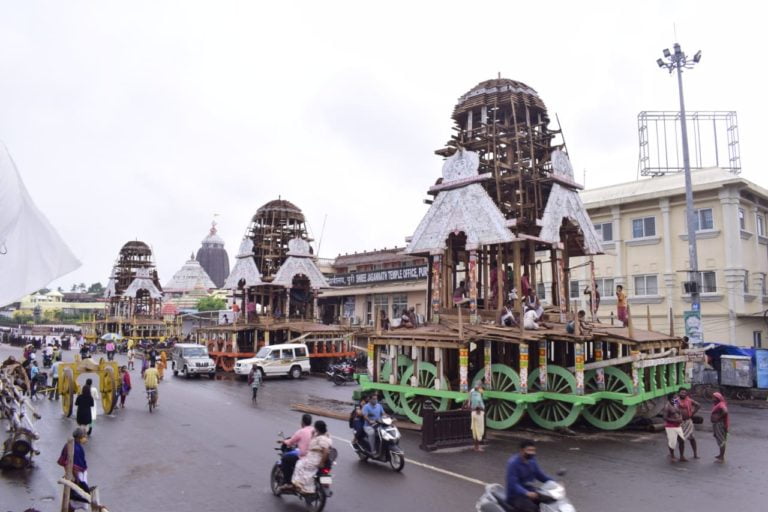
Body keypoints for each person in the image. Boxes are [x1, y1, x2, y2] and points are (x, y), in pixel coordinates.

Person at [506, 439, 553, 512]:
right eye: (529, 450)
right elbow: (513, 484)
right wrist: (526, 493)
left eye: (533, 450)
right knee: (533, 509)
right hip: (516, 496)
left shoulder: (532, 460)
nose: (532, 453)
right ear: (522, 450)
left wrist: (555, 482)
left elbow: (540, 475)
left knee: (550, 502)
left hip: (531, 491)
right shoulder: (513, 463)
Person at [290, 420, 333, 494]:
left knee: (299, 464)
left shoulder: (322, 438)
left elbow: (325, 451)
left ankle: (300, 485)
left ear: (317, 428)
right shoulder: (325, 436)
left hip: (316, 459)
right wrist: (313, 434)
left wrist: (321, 463)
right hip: (319, 459)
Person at [57, 427, 90, 503]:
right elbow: (73, 466)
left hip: (72, 474)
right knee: (79, 498)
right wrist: (77, 479)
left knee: (73, 498)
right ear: (79, 437)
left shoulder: (71, 444)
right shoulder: (76, 448)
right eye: (84, 436)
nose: (86, 438)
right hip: (76, 475)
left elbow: (64, 462)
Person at [280, 414, 314, 484]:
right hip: (313, 457)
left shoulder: (301, 431)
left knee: (285, 458)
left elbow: (290, 442)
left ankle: (287, 481)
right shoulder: (315, 431)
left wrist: (284, 441)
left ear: (302, 422)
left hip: (304, 457)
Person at [678, 389, 700, 459]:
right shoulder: (675, 400)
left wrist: (692, 413)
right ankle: (681, 456)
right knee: (680, 440)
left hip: (688, 422)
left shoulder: (689, 400)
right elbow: (673, 408)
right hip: (679, 422)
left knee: (692, 438)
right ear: (679, 393)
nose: (683, 394)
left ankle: (695, 454)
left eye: (685, 393)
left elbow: (698, 405)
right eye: (682, 392)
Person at [663, 393, 686, 462]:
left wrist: (680, 418)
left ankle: (682, 456)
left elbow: (679, 412)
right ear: (670, 399)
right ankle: (672, 455)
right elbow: (665, 417)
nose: (677, 399)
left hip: (678, 425)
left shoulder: (676, 403)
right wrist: (675, 420)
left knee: (682, 440)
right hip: (670, 426)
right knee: (672, 442)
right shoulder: (667, 406)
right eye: (675, 398)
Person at [711, 392, 729, 462]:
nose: (712, 399)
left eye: (714, 398)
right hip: (716, 424)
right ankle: (720, 455)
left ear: (718, 398)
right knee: (719, 439)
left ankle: (722, 457)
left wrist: (718, 418)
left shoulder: (721, 404)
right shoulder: (717, 404)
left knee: (721, 440)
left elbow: (725, 411)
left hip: (719, 424)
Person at [469, 383, 485, 451]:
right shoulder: (476, 394)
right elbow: (477, 402)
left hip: (474, 412)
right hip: (478, 413)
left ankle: (476, 446)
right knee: (478, 430)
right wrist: (478, 409)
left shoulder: (472, 393)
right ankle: (477, 447)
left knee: (475, 430)